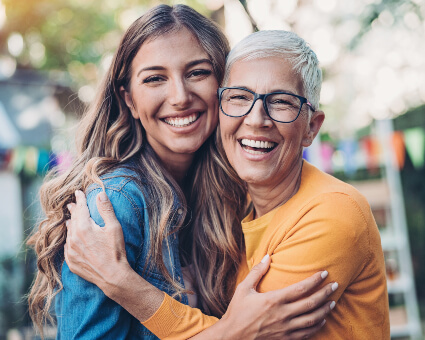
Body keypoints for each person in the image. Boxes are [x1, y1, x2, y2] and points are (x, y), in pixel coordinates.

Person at [27, 5, 337, 340]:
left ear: (225, 86)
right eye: (155, 78)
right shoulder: (116, 204)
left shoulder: (235, 191)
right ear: (128, 98)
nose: (179, 97)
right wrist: (236, 332)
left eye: (197, 73)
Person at [65, 30, 391, 339]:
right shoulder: (223, 211)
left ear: (311, 127)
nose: (256, 119)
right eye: (239, 98)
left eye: (281, 102)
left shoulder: (332, 215)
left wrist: (122, 283)